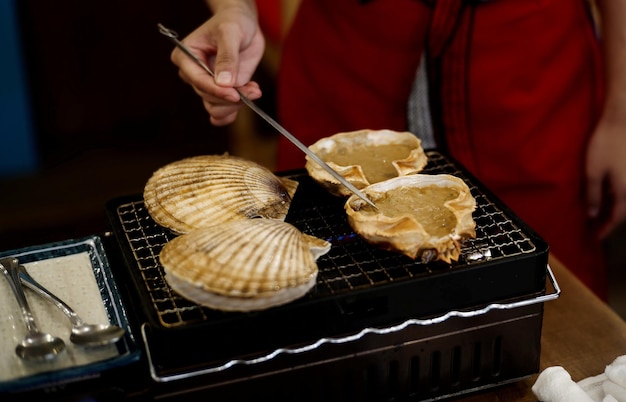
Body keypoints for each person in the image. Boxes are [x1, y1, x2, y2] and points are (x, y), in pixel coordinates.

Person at [171, 0, 626, 299]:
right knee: (332, 285)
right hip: (352, 50)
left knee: (543, 299)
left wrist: (621, 110)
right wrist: (235, 9)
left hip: (524, 61)